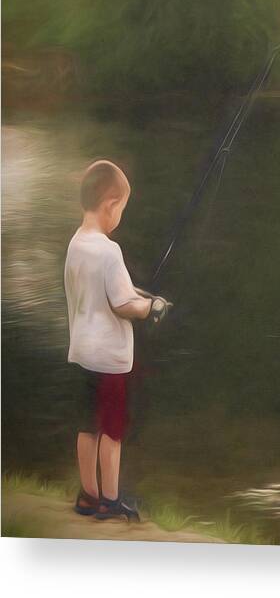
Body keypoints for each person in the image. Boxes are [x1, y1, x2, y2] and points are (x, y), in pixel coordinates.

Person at [64, 159, 172, 521]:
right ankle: (110, 500)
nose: (120, 215)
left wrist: (134, 295)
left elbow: (98, 291)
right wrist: (152, 307)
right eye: (122, 207)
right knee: (112, 430)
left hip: (81, 354)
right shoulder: (110, 251)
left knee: (86, 426)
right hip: (109, 359)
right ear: (111, 204)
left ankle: (87, 496)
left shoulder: (77, 245)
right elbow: (123, 304)